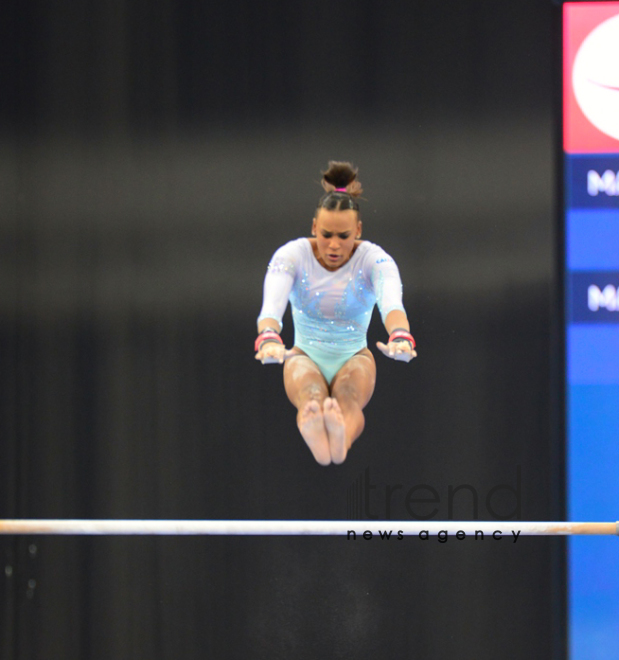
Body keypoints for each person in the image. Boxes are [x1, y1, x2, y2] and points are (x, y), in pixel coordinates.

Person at [255, 161, 416, 465]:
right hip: (303, 353)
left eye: (344, 236)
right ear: (314, 227)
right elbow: (271, 309)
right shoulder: (291, 256)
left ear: (358, 230)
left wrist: (400, 336)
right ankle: (317, 434)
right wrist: (268, 337)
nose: (334, 245)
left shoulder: (375, 260)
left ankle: (339, 440)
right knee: (311, 395)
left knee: (348, 396)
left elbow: (392, 305)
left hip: (353, 354)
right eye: (326, 234)